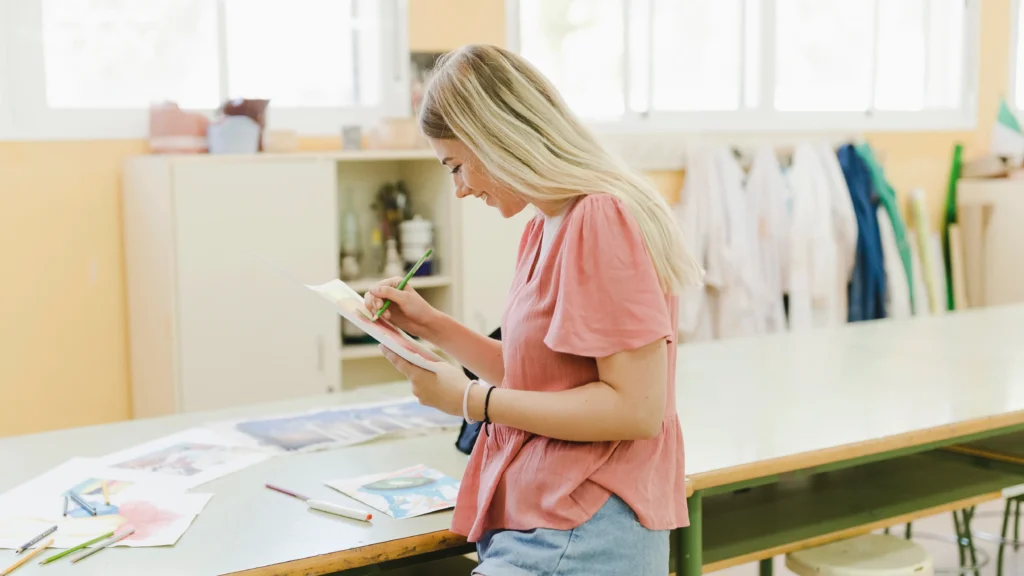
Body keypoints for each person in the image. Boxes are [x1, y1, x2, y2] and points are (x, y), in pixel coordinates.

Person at [364, 44, 702, 576]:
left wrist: (473, 400)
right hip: (544, 521)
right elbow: (544, 375)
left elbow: (635, 409)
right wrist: (429, 324)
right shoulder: (545, 225)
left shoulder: (600, 217)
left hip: (582, 530)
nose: (459, 189)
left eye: (456, 166)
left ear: (497, 138)